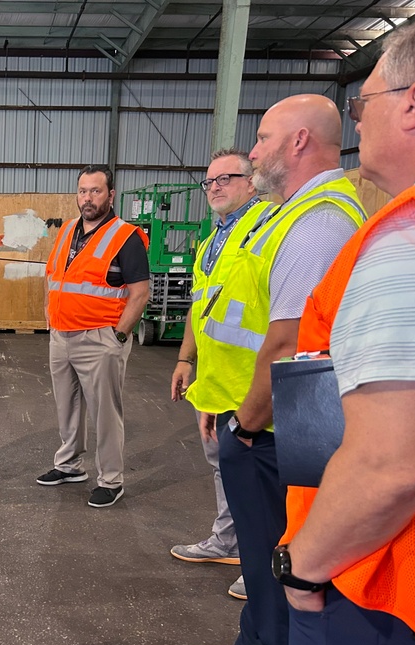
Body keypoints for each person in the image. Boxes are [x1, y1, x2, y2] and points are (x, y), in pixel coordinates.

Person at [280, 14, 415, 645]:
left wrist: (302, 567)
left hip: (410, 600)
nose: (359, 122)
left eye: (364, 103)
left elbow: (391, 467)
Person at [186, 96, 366, 645]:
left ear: (298, 142)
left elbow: (288, 343)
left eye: (262, 138)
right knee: (265, 574)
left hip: (274, 432)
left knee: (283, 573)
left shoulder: (318, 222)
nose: (253, 150)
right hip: (258, 418)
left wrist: (246, 423)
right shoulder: (284, 214)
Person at [171, 149, 275, 601]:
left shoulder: (267, 230)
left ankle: (264, 565)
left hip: (256, 383)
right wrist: (185, 360)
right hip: (217, 379)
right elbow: (201, 306)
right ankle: (229, 542)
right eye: (209, 181)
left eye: (225, 178)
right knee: (225, 470)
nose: (214, 187)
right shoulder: (212, 240)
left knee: (261, 479)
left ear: (251, 182)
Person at [38, 165, 150, 508]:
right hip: (62, 336)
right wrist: (49, 313)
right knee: (67, 406)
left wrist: (119, 337)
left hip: (100, 339)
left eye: (96, 191)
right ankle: (69, 465)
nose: (88, 198)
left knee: (105, 414)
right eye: (83, 191)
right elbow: (53, 276)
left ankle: (111, 480)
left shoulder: (126, 236)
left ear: (111, 195)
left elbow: (140, 294)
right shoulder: (67, 230)